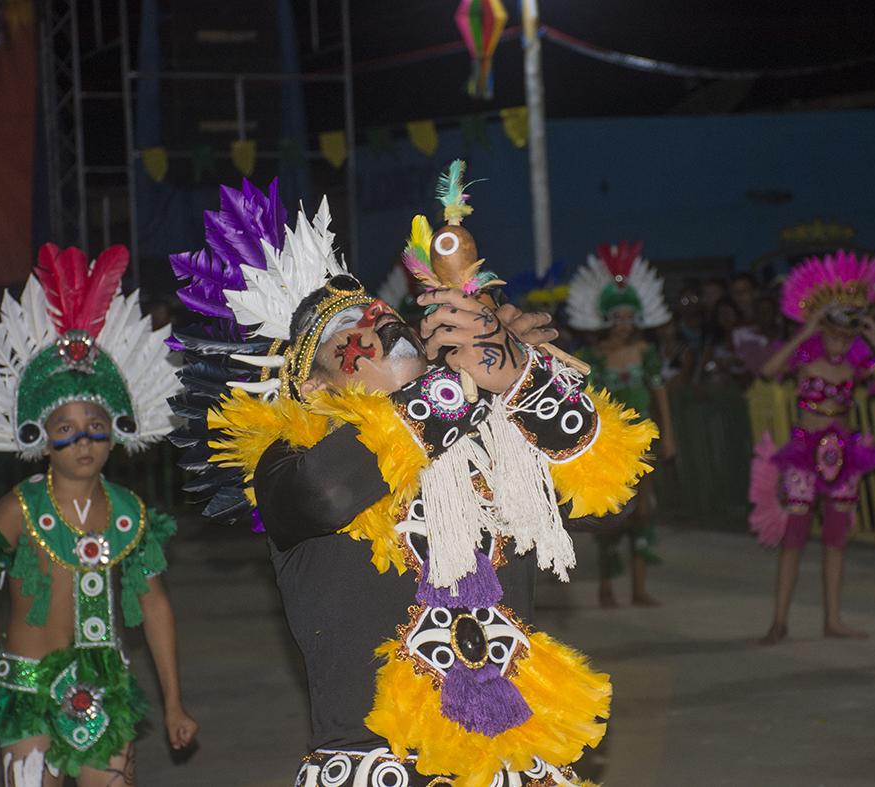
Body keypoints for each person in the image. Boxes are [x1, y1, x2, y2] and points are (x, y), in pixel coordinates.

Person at [169, 174, 657, 785]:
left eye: (376, 309)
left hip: (509, 763)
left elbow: (608, 497)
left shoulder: (490, 438)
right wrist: (458, 385)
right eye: (346, 333)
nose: (376, 321)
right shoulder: (288, 459)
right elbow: (323, 495)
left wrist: (520, 378)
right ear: (315, 387)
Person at [0, 244, 198, 784]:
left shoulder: (130, 515)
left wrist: (174, 702)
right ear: (40, 438)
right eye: (65, 427)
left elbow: (156, 608)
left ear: (117, 429)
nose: (83, 439)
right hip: (26, 692)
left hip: (104, 687)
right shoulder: (17, 510)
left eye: (95, 423)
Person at [751, 252, 875, 644]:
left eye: (848, 330)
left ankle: (833, 619)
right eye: (833, 329)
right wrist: (805, 331)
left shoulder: (857, 358)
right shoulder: (806, 353)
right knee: (795, 537)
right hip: (803, 455)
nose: (840, 338)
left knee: (836, 539)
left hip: (843, 458)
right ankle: (779, 620)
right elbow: (768, 370)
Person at [565, 241, 677, 607]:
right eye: (618, 317)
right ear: (604, 319)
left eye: (630, 316)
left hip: (642, 442)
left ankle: (640, 587)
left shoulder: (645, 354)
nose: (625, 324)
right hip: (608, 444)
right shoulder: (590, 357)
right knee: (610, 514)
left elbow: (660, 395)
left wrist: (669, 436)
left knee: (643, 512)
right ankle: (607, 586)